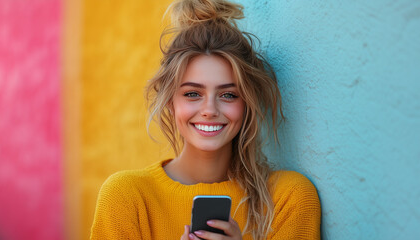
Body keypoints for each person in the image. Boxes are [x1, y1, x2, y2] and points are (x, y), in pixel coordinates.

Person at [90, 0, 321, 239]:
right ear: (170, 101)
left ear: (247, 104)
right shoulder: (127, 197)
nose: (209, 109)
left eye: (228, 95)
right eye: (192, 94)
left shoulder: (288, 197)